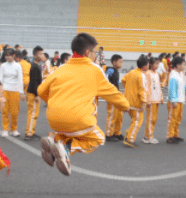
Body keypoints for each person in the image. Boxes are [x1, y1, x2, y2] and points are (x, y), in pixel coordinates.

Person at [39, 33, 129, 176]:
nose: (96, 55)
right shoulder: (94, 70)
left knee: (67, 132)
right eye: (95, 52)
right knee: (98, 138)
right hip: (78, 119)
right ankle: (67, 149)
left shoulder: (61, 68)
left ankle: (54, 142)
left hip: (53, 119)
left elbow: (41, 89)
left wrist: (55, 103)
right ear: (87, 53)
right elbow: (112, 92)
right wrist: (125, 106)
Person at [0, 48, 26, 137]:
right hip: (5, 89)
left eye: (9, 55)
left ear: (13, 56)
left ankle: (14, 129)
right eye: (6, 55)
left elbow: (20, 80)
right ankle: (5, 129)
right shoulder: (3, 66)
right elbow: (0, 78)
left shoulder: (18, 66)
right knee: (5, 110)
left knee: (14, 112)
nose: (7, 57)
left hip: (15, 90)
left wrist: (21, 92)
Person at [121, 55, 149, 148]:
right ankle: (130, 139)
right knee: (138, 121)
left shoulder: (131, 72)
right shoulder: (142, 75)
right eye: (148, 64)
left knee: (134, 120)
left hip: (128, 102)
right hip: (136, 103)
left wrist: (129, 89)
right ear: (144, 66)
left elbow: (123, 80)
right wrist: (144, 102)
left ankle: (129, 134)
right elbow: (142, 90)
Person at [24, 46, 46, 141]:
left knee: (35, 113)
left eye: (42, 53)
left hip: (35, 92)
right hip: (33, 93)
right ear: (35, 55)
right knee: (32, 113)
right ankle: (28, 134)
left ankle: (31, 131)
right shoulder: (34, 67)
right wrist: (37, 95)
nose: (42, 55)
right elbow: (33, 82)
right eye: (40, 54)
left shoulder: (38, 65)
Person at [166, 56, 186, 144]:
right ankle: (170, 136)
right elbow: (172, 89)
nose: (185, 66)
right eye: (183, 64)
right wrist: (173, 100)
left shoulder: (179, 74)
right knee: (173, 119)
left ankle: (175, 135)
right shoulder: (173, 75)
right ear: (178, 65)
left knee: (178, 118)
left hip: (180, 100)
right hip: (175, 101)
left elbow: (181, 87)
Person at [143, 57, 163, 145]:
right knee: (150, 118)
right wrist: (148, 99)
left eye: (158, 64)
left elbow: (158, 86)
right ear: (150, 64)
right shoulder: (148, 74)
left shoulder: (157, 74)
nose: (157, 65)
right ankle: (148, 136)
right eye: (155, 63)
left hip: (156, 99)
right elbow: (147, 87)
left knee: (154, 119)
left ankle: (150, 134)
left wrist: (161, 97)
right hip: (151, 100)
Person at [105, 55, 125, 142]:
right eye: (120, 62)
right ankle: (109, 134)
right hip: (111, 96)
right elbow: (106, 81)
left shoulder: (116, 71)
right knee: (112, 115)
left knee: (119, 115)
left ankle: (117, 132)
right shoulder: (110, 70)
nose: (121, 64)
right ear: (114, 62)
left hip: (116, 95)